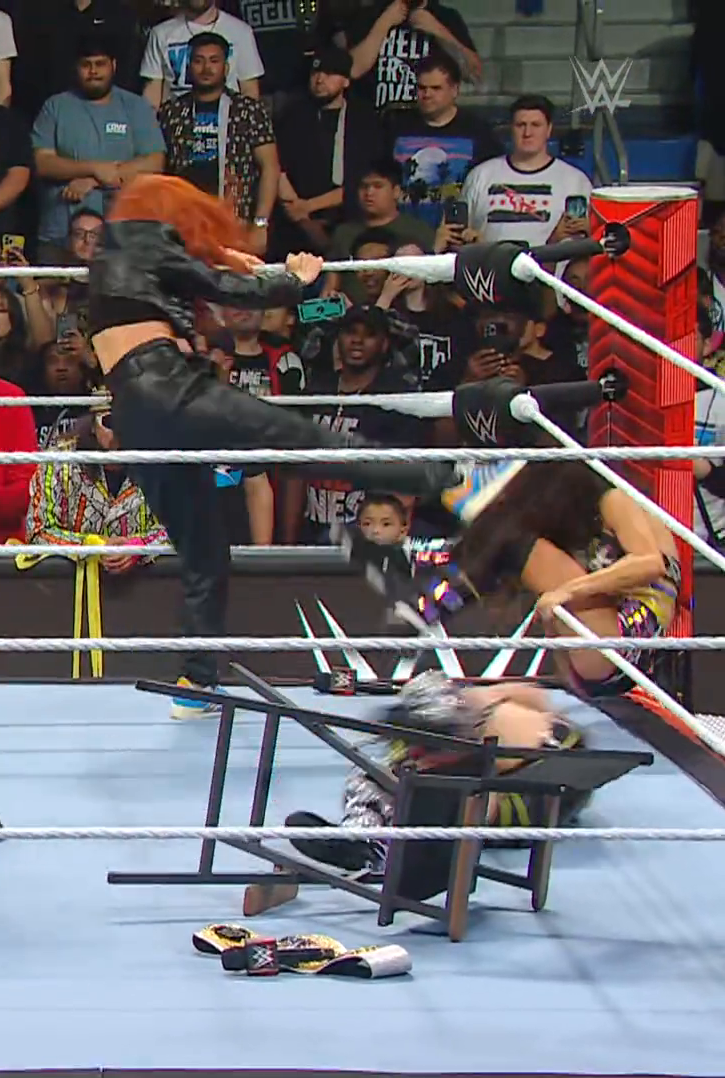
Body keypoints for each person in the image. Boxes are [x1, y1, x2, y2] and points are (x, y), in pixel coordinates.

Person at [82, 174, 516, 710]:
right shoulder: (148, 238)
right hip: (171, 388)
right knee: (310, 443)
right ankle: (453, 477)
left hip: (133, 414)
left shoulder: (111, 258)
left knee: (202, 548)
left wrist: (222, 257)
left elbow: (192, 274)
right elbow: (229, 291)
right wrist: (295, 279)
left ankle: (195, 683)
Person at [371, 459, 681, 699]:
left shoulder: (614, 498)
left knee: (510, 537)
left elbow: (650, 563)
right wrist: (570, 674)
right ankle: (438, 592)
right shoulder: (577, 524)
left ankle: (433, 596)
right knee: (505, 536)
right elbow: (556, 612)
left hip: (626, 649)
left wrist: (568, 592)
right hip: (598, 659)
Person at [283, 671, 589, 893]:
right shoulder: (485, 704)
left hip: (536, 795)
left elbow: (482, 798)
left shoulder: (493, 738)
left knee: (397, 782)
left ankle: (375, 845)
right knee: (398, 774)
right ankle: (368, 837)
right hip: (566, 770)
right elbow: (538, 696)